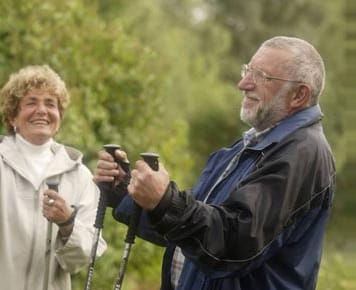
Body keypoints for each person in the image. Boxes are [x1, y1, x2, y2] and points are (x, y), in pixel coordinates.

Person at [95, 36, 335, 290]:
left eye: (262, 76)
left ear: (299, 94)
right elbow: (189, 235)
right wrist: (125, 190)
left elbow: (233, 244)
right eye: (247, 70)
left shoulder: (302, 153)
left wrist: (166, 201)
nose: (243, 84)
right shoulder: (243, 149)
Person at [0, 65, 107, 290]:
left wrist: (68, 223)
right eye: (31, 102)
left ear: (59, 117)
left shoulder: (79, 175)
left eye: (50, 104)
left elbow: (80, 259)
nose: (42, 110)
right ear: (12, 117)